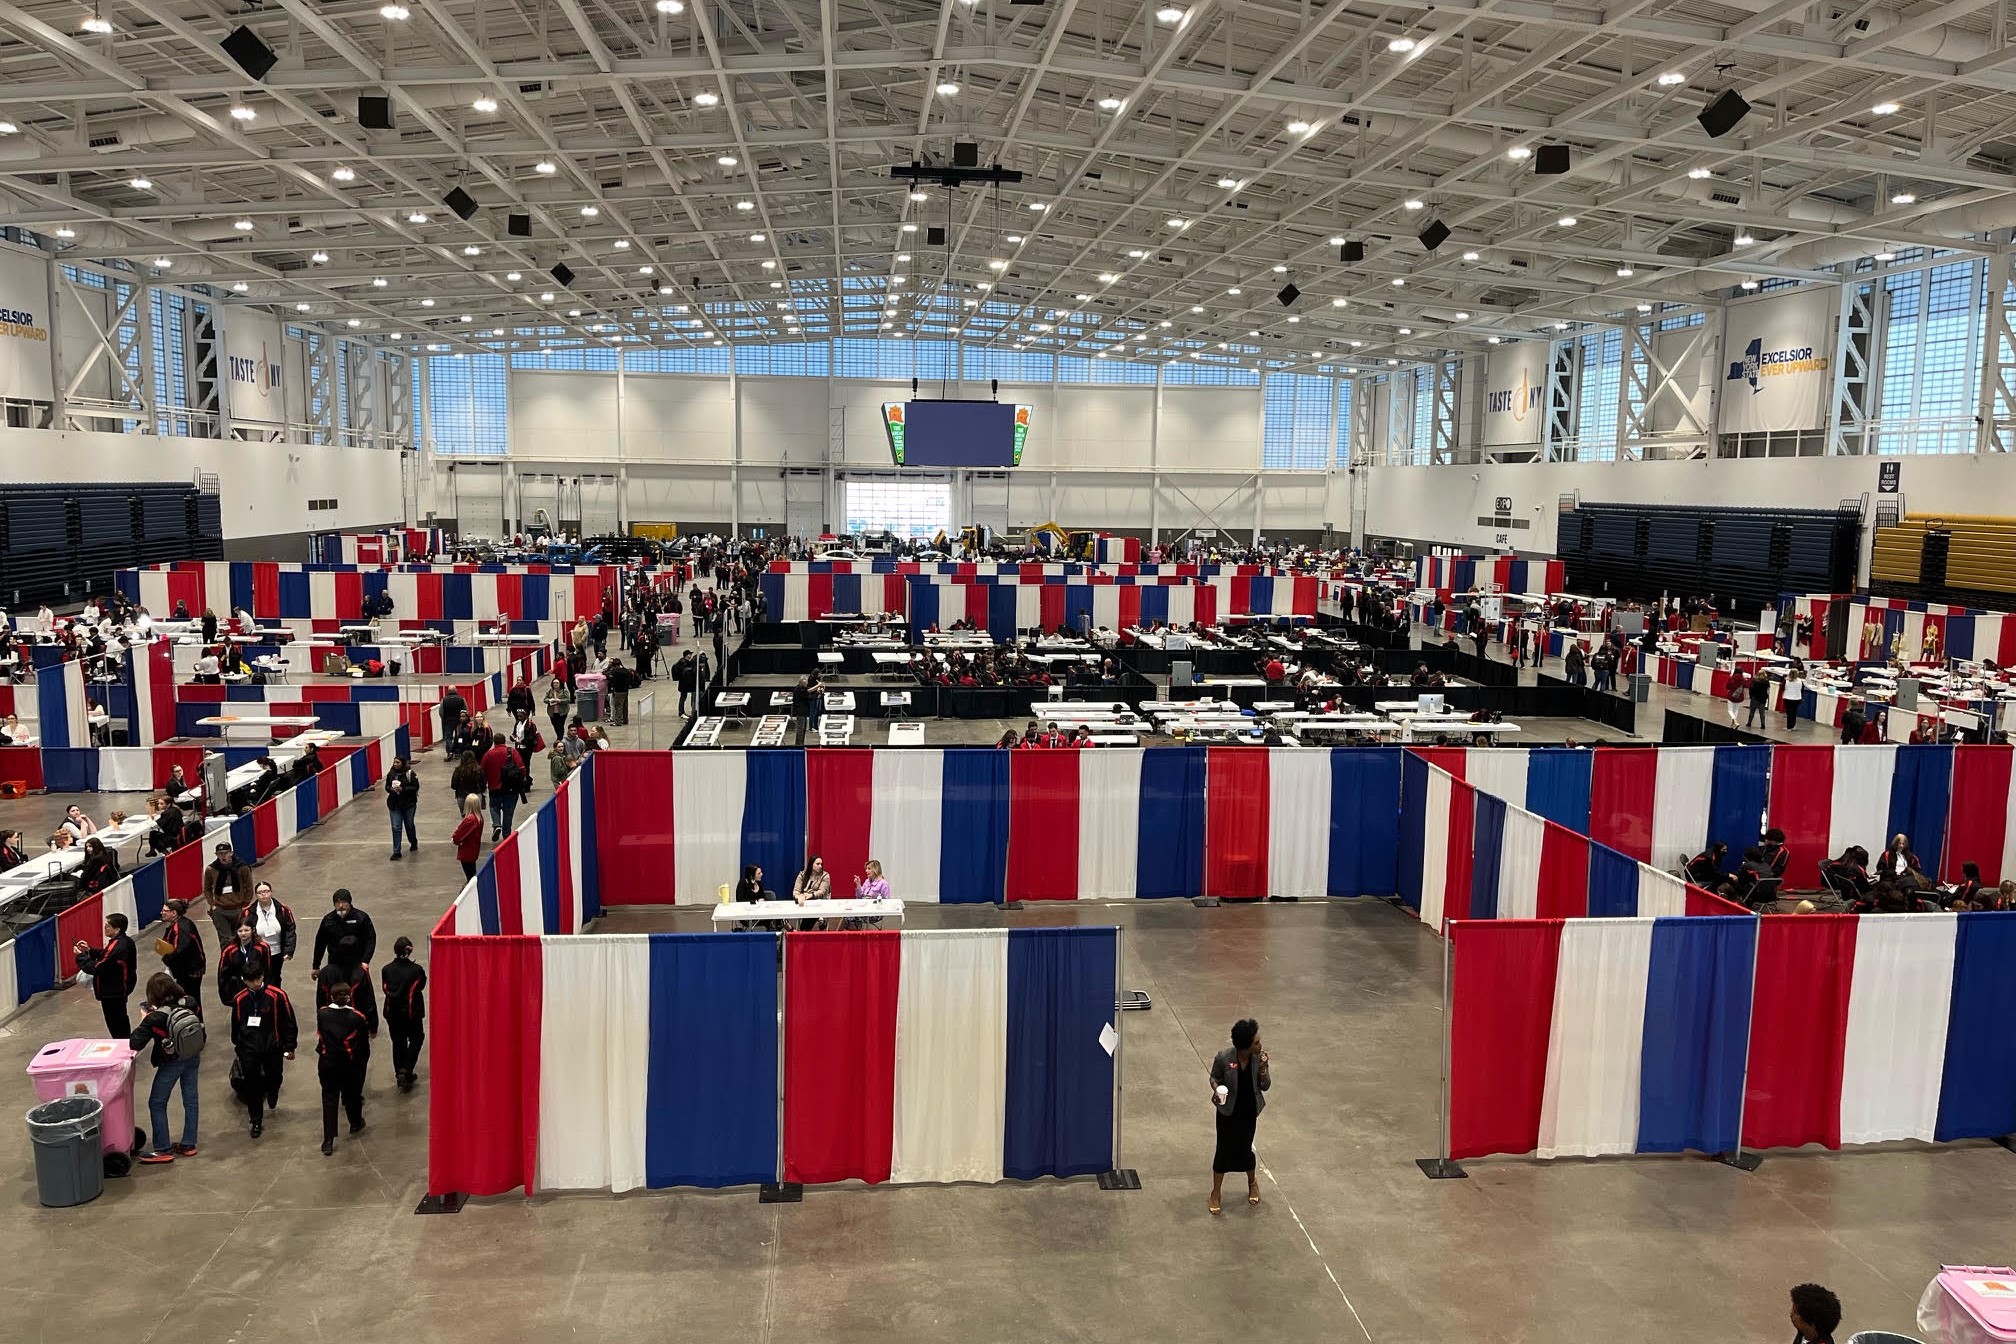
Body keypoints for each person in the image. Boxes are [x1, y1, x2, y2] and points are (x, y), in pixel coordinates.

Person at [130, 972, 203, 1163]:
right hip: (193, 1055)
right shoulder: (190, 1002)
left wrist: (145, 1018)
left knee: (157, 1102)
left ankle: (162, 1149)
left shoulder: (156, 1017)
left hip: (171, 1062)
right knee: (191, 1099)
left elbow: (135, 1043)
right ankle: (189, 1144)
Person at [1208, 1018, 1271, 1216]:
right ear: (1244, 1045)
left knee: (1245, 1148)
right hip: (1228, 1111)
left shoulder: (1258, 1058)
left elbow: (1265, 1086)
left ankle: (1252, 1182)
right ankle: (1216, 1192)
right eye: (1256, 1042)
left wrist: (1263, 1069)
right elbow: (1214, 1078)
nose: (1260, 1045)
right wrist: (1217, 1089)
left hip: (1249, 1111)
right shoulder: (1224, 1058)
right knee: (1223, 1149)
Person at [229, 961, 295, 1138]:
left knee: (275, 1076)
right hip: (249, 1050)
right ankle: (256, 1120)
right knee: (252, 1086)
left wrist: (290, 1046)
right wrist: (239, 1046)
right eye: (252, 981)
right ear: (245, 981)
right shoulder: (239, 999)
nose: (256, 984)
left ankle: (273, 1091)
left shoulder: (278, 996)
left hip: (273, 1047)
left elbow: (289, 1021)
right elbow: (235, 1025)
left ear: (263, 976)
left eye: (258, 979)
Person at [314, 979, 372, 1156]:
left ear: (330, 997)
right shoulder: (357, 1018)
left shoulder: (322, 1014)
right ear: (350, 996)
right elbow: (363, 1045)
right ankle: (355, 1122)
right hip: (349, 1064)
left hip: (327, 1063)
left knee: (329, 1099)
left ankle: (328, 1140)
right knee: (352, 1095)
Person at [74, 911, 137, 1038]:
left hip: (114, 991)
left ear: (117, 929)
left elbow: (98, 968)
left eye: (108, 926)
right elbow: (106, 955)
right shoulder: (123, 941)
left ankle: (123, 1045)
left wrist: (80, 956)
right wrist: (89, 950)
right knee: (120, 1020)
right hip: (118, 987)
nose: (104, 928)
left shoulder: (119, 947)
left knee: (116, 1023)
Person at [381, 936, 426, 1091]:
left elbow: (385, 988)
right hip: (412, 1012)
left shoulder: (386, 970)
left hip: (392, 1012)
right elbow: (421, 986)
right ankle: (407, 1069)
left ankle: (400, 1072)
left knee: (398, 1041)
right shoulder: (417, 970)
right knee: (416, 1038)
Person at [158, 897, 208, 1013]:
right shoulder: (179, 924)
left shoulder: (181, 928)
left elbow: (177, 951)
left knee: (190, 1001)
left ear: (174, 913)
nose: (162, 913)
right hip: (187, 970)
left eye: (165, 911)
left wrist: (166, 958)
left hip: (190, 972)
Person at [243, 881, 297, 987]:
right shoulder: (248, 912)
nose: (264, 894)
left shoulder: (283, 909)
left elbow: (290, 931)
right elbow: (243, 932)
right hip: (257, 953)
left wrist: (289, 950)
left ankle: (274, 1000)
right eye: (260, 892)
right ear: (256, 895)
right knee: (258, 978)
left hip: (277, 953)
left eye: (266, 891)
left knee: (275, 977)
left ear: (271, 892)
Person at [312, 888, 378, 972]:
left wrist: (365, 960)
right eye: (337, 903)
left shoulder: (361, 918)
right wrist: (316, 966)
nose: (340, 906)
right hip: (335, 963)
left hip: (357, 964)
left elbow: (370, 939)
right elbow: (320, 943)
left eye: (343, 902)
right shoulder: (328, 920)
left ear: (349, 902)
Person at [203, 840, 254, 945]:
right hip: (221, 910)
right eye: (219, 854)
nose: (223, 856)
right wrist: (212, 905)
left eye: (225, 853)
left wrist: (246, 904)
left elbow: (249, 887)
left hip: (239, 908)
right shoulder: (211, 869)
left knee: (243, 938)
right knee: (225, 941)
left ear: (231, 853)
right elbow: (207, 889)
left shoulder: (242, 867)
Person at [217, 919, 274, 1009]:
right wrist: (226, 996)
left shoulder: (263, 947)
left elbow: (268, 969)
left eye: (246, 930)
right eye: (240, 931)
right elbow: (223, 974)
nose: (243, 933)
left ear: (253, 930)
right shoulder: (229, 950)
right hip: (238, 988)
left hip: (257, 986)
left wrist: (267, 988)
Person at [482, 733, 526, 839]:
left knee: (493, 807)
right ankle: (506, 835)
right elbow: (521, 767)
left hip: (494, 787)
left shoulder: (489, 754)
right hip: (511, 788)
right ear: (504, 741)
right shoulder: (512, 752)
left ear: (494, 742)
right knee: (508, 812)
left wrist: (485, 782)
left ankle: (496, 824)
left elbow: (482, 769)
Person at [384, 754, 420, 860]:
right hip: (394, 805)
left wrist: (402, 789)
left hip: (409, 804)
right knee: (396, 827)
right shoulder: (391, 774)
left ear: (403, 763)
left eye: (397, 762)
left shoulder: (410, 774)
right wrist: (391, 789)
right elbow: (387, 786)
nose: (395, 764)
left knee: (409, 825)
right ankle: (396, 851)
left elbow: (415, 787)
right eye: (394, 762)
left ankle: (413, 841)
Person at [792, 853, 832, 929]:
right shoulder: (802, 874)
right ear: (811, 864)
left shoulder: (825, 876)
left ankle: (803, 933)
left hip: (819, 902)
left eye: (821, 864)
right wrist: (798, 896)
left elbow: (822, 891)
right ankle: (820, 919)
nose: (820, 866)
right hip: (804, 902)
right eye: (817, 864)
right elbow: (796, 890)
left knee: (811, 913)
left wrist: (810, 895)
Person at [452, 794, 485, 878]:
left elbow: (457, 837)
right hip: (473, 849)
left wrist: (455, 835)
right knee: (472, 872)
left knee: (470, 876)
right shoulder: (479, 818)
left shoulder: (470, 820)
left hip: (467, 851)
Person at [544, 677, 573, 744]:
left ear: (560, 684)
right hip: (552, 712)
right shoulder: (550, 691)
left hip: (562, 712)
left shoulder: (564, 690)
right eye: (554, 683)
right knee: (555, 725)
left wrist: (560, 701)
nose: (555, 684)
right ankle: (559, 736)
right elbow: (545, 700)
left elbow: (568, 700)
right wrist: (549, 700)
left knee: (560, 725)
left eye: (557, 683)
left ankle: (560, 738)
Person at [674, 649, 698, 715]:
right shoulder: (683, 663)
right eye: (690, 654)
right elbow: (685, 673)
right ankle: (681, 712)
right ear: (687, 655)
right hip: (684, 684)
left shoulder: (686, 662)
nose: (690, 656)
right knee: (683, 697)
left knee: (683, 697)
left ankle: (681, 711)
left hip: (684, 684)